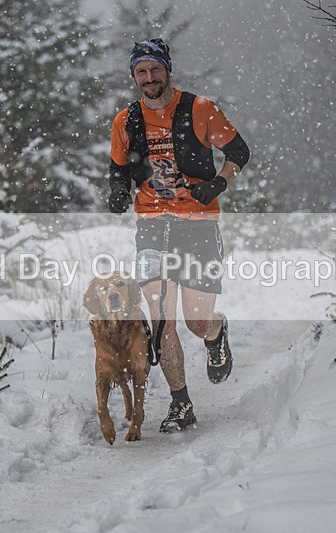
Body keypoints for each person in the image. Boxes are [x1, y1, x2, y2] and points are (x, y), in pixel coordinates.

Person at [107, 38, 250, 433]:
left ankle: (216, 331)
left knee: (195, 322)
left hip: (198, 224)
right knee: (161, 318)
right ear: (134, 77)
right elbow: (117, 168)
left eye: (155, 69)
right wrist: (119, 190)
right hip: (152, 224)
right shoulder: (126, 121)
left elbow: (239, 151)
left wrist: (218, 183)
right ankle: (181, 403)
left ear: (167, 70)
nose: (149, 77)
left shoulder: (199, 109)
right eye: (141, 71)